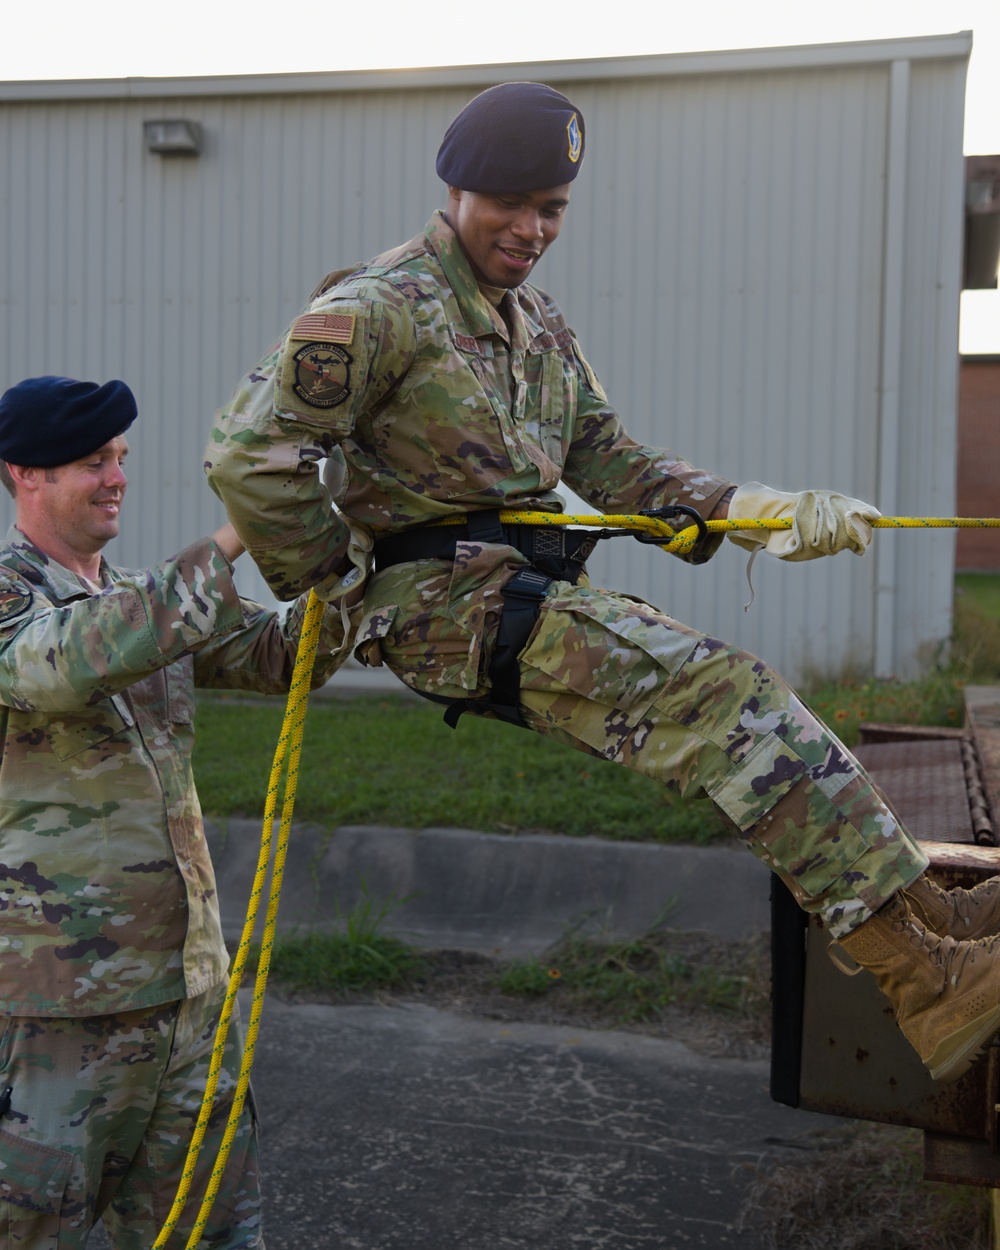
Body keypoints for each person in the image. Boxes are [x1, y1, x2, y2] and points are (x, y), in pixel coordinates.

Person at [206, 81, 1000, 1087]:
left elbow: (611, 459)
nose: (532, 229)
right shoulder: (374, 311)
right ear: (456, 188)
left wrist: (758, 507)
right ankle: (927, 985)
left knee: (742, 688)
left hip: (522, 594)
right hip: (446, 609)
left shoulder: (534, 323)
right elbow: (247, 457)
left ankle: (930, 916)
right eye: (512, 204)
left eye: (554, 209)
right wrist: (339, 581)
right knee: (725, 700)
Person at [0, 376, 352, 1248]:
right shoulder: (22, 599)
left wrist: (360, 553)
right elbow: (64, 665)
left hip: (189, 999)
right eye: (93, 462)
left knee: (207, 1231)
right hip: (60, 1009)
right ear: (24, 476)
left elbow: (282, 657)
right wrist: (241, 529)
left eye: (121, 457)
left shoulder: (138, 597)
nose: (118, 477)